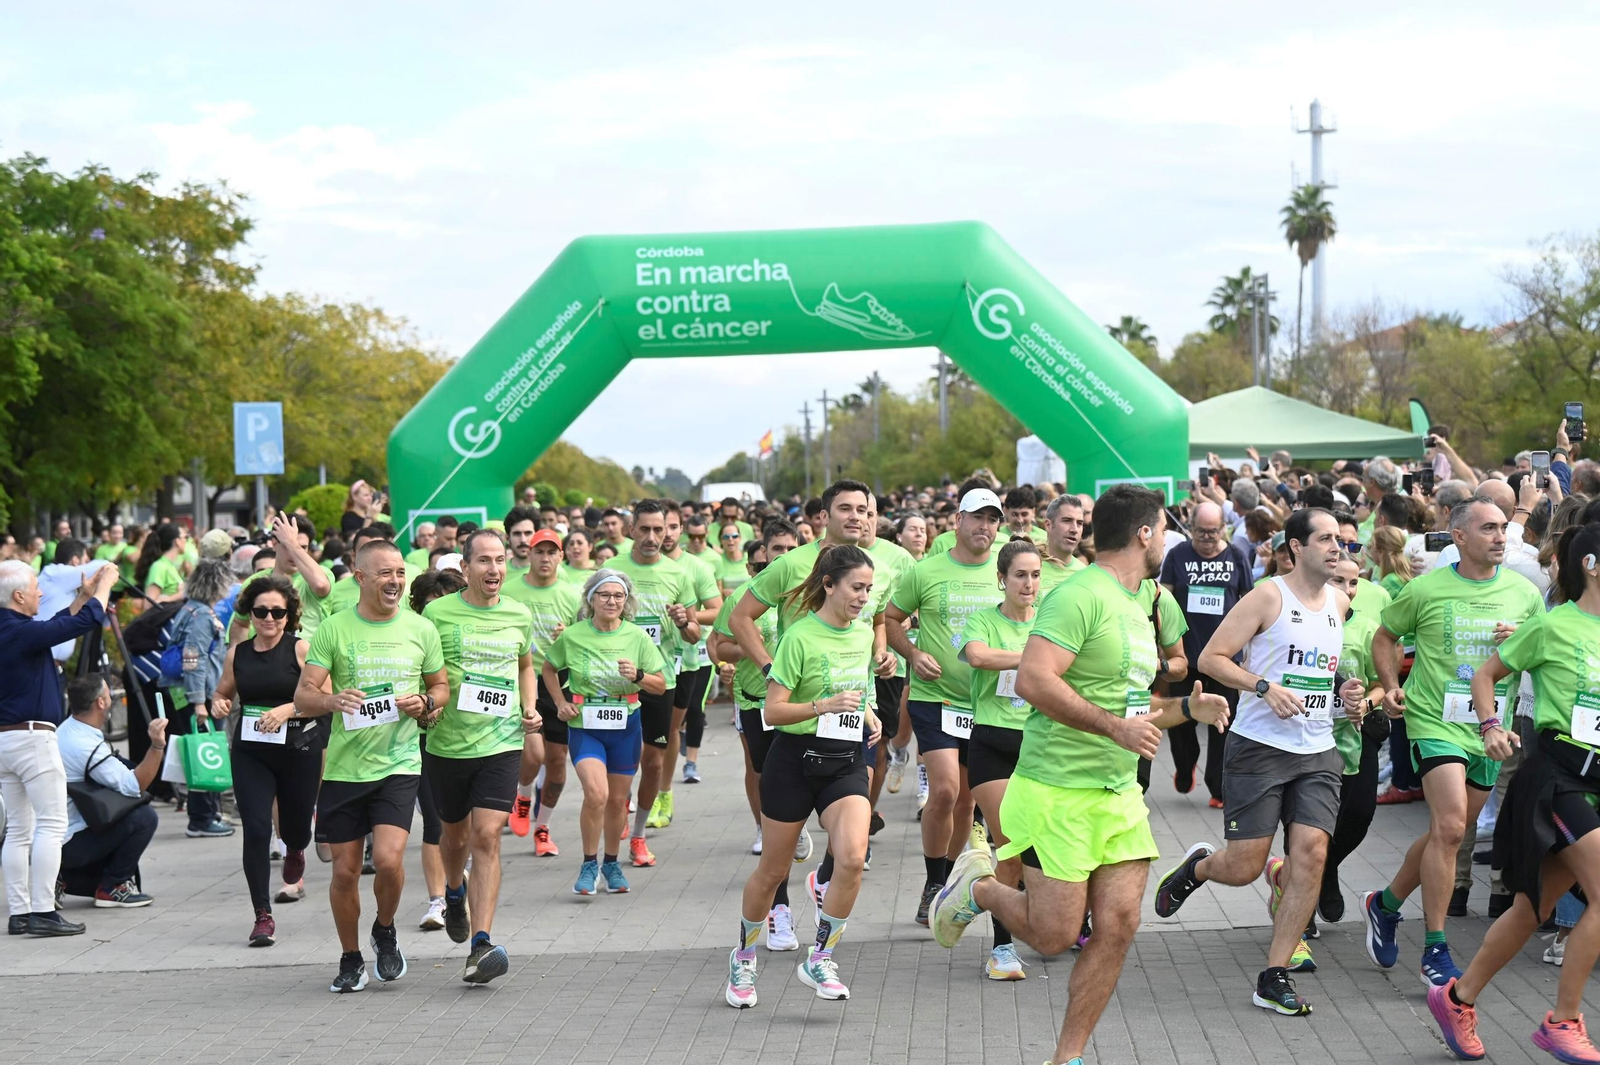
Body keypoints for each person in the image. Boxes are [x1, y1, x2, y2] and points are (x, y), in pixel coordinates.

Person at [926, 485, 1230, 1065]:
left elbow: (1130, 704)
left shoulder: (1141, 600)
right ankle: (979, 887)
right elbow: (1038, 681)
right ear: (1144, 533)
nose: (1167, 539)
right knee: (1054, 935)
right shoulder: (1079, 595)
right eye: (1164, 529)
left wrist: (1189, 709)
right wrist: (1114, 730)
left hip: (1117, 795)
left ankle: (1067, 1057)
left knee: (1117, 926)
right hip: (1055, 791)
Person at [1153, 507, 1365, 1013]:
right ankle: (1202, 868)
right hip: (1259, 748)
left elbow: (1327, 671)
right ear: (1295, 547)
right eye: (1326, 540)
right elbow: (1211, 659)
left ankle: (1274, 974)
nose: (1338, 548)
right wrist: (1263, 687)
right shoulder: (1268, 595)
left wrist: (1350, 697)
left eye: (1341, 540)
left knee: (1311, 855)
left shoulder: (1339, 599)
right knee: (1245, 866)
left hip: (1317, 750)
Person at [1427, 521, 1600, 1062]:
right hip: (1558, 776)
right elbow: (1485, 675)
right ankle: (1563, 1020)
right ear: (1592, 565)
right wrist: (1490, 726)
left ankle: (1458, 997)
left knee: (1532, 907)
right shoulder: (1554, 626)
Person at [1362, 497, 1543, 987]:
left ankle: (1386, 903)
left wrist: (1524, 636)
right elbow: (1384, 638)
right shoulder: (1426, 588)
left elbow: (1537, 657)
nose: (1501, 536)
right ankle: (1436, 949)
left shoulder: (1526, 595)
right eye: (1488, 528)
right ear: (1459, 536)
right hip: (1433, 719)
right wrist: (1391, 685)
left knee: (1454, 831)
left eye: (1504, 528)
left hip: (1490, 728)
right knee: (1447, 826)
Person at [725, 545, 883, 1008]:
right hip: (794, 760)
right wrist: (821, 707)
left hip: (846, 760)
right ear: (830, 585)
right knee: (773, 870)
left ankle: (821, 957)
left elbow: (858, 689)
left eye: (869, 590)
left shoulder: (861, 634)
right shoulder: (799, 637)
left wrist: (869, 715)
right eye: (856, 587)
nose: (863, 597)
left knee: (852, 857)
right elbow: (773, 711)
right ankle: (744, 956)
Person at [294, 538, 449, 993]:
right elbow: (304, 696)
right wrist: (331, 700)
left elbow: (440, 687)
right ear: (359, 577)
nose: (395, 581)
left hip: (399, 762)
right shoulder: (334, 629)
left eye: (400, 573)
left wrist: (423, 701)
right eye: (384, 573)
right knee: (343, 872)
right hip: (344, 770)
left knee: (387, 859)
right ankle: (350, 957)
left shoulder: (421, 629)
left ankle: (384, 928)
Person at [422, 529, 539, 983]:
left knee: (487, 835)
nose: (494, 570)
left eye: (501, 560)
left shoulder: (517, 613)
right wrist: (426, 704)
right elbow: (423, 669)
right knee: (453, 838)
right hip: (447, 744)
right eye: (484, 561)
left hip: (502, 741)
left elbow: (525, 665)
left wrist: (528, 707)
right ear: (464, 568)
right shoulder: (437, 613)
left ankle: (481, 943)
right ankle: (454, 891)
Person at [886, 485, 1003, 926]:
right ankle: (934, 881)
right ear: (958, 520)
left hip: (988, 704)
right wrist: (913, 655)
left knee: (968, 804)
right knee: (947, 789)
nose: (985, 527)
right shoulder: (927, 571)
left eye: (993, 519)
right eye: (977, 517)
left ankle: (949, 880)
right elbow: (891, 619)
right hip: (935, 698)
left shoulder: (1005, 570)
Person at [0, 560, 116, 936]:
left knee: (19, 829)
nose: (41, 592)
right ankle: (43, 910)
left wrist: (82, 596)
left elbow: (58, 626)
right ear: (18, 596)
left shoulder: (12, 630)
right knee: (51, 823)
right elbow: (81, 624)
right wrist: (104, 587)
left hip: (6, 738)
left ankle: (20, 912)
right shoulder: (18, 632)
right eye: (35, 588)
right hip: (33, 737)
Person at [542, 570, 667, 896]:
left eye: (618, 596)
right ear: (591, 599)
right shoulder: (573, 635)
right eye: (604, 595)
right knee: (596, 794)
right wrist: (560, 702)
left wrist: (637, 675)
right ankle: (588, 863)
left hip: (625, 724)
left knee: (616, 802)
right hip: (586, 725)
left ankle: (611, 863)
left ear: (626, 602)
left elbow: (660, 684)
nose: (611, 601)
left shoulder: (637, 637)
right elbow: (548, 667)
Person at [709, 520, 803, 947]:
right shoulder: (749, 597)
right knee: (768, 782)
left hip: (809, 709)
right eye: (775, 549)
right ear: (761, 554)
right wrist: (762, 656)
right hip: (756, 702)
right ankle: (778, 907)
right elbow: (717, 645)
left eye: (790, 547)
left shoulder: (810, 594)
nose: (782, 555)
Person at [213, 575, 318, 947]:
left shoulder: (302, 649)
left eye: (278, 612)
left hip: (298, 751)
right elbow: (223, 692)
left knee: (296, 827)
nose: (269, 618)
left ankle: (295, 847)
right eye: (262, 611)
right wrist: (219, 703)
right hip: (251, 752)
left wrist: (288, 710)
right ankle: (262, 915)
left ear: (289, 615)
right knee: (256, 830)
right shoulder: (237, 654)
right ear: (251, 613)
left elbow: (325, 697)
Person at [955, 538, 1040, 980]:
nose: (1028, 584)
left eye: (1035, 574)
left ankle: (980, 892)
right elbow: (978, 656)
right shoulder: (983, 621)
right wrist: (1034, 658)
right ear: (1002, 579)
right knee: (1010, 843)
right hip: (992, 742)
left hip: (1042, 746)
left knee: (1037, 848)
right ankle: (1002, 950)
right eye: (1020, 575)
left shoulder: (1050, 622)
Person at [604, 501, 699, 865]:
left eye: (658, 530)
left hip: (661, 679)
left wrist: (682, 622)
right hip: (616, 679)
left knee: (654, 763)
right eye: (644, 529)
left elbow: (693, 635)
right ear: (631, 529)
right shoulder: (612, 570)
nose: (652, 537)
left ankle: (639, 835)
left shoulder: (678, 574)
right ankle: (618, 813)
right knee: (621, 759)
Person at [1158, 501, 1254, 805]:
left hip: (1225, 658)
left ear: (1223, 528)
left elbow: (1250, 604)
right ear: (1190, 528)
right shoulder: (1177, 555)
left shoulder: (1237, 556)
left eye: (1213, 532)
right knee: (1179, 720)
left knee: (1223, 722)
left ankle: (1218, 786)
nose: (1208, 538)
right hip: (1185, 656)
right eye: (1201, 532)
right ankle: (1185, 767)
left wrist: (1250, 650)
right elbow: (1164, 599)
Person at [1318, 553, 1387, 926]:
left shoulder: (1368, 627)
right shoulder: (1306, 622)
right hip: (1309, 739)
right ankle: (1300, 906)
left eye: (1354, 581)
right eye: (1338, 581)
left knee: (1358, 815)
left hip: (1357, 737)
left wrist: (1367, 702)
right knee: (1306, 824)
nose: (1347, 589)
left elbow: (1381, 682)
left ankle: (1326, 866)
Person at [56, 674, 165, 909]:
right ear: (101, 702)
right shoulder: (86, 745)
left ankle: (62, 878)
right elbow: (135, 786)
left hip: (55, 840)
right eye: (108, 694)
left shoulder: (66, 729)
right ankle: (112, 887)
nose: (111, 698)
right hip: (70, 843)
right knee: (144, 817)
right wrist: (157, 745)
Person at [504, 528, 582, 856]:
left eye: (552, 552)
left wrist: (572, 633)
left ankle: (543, 827)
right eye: (540, 552)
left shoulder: (573, 594)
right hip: (521, 680)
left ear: (560, 557)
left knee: (557, 763)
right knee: (533, 754)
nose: (545, 558)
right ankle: (523, 796)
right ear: (529, 555)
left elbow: (588, 638)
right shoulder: (509, 590)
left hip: (559, 683)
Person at [407, 568, 467, 930]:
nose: (438, 612)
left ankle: (459, 883)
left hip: (469, 739)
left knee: (464, 827)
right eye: (431, 605)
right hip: (424, 737)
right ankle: (436, 902)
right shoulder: (410, 638)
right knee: (434, 821)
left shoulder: (469, 636)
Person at [653, 502, 721, 812]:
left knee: (674, 726)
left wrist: (688, 618)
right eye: (659, 527)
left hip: (690, 656)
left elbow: (718, 610)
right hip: (647, 662)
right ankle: (639, 791)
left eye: (672, 526)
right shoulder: (635, 567)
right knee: (645, 733)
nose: (665, 533)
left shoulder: (697, 567)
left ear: (680, 530)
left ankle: (664, 792)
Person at [169, 560, 236, 839]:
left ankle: (206, 812)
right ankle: (202, 817)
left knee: (199, 752)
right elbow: (194, 660)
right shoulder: (202, 617)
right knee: (204, 754)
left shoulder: (189, 610)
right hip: (200, 695)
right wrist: (199, 702)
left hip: (191, 693)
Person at [1038, 495, 1087, 596]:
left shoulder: (1084, 573)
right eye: (1067, 521)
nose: (1074, 529)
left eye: (1079, 523)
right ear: (1048, 525)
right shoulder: (1029, 566)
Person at [136, 524, 188, 604]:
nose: (186, 541)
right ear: (177, 541)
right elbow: (149, 604)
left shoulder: (169, 565)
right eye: (185, 537)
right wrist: (178, 596)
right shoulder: (159, 567)